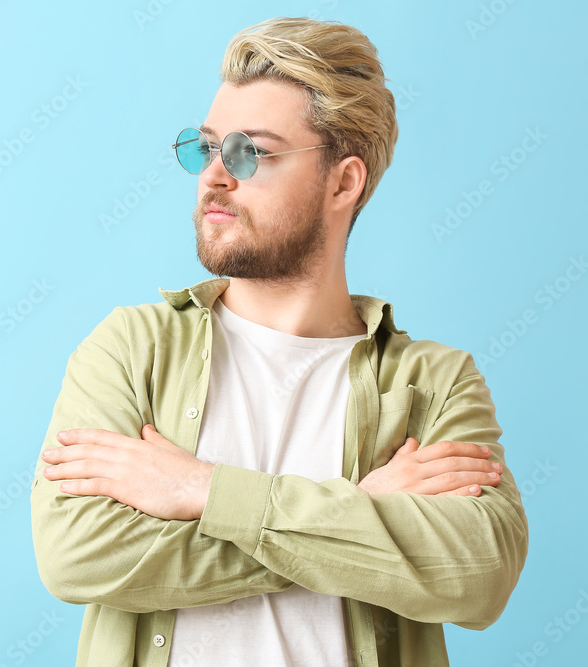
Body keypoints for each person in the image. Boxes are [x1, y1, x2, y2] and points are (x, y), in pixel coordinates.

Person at [29, 16, 528, 667]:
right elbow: (75, 553)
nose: (213, 176)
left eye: (249, 153)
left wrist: (206, 489)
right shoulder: (131, 348)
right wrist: (361, 512)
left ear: (343, 182)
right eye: (206, 148)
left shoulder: (435, 383)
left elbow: (477, 574)